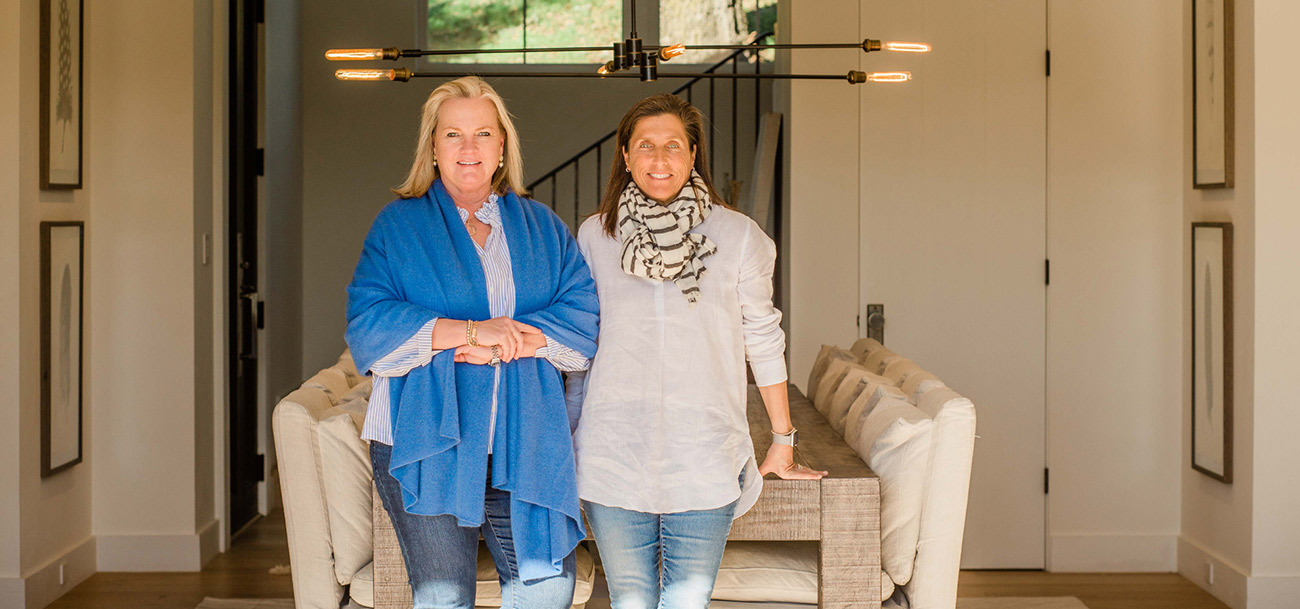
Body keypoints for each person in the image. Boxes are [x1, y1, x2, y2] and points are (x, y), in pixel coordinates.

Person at [345, 76, 599, 609]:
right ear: (432, 148)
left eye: (483, 133)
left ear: (502, 146)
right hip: (422, 440)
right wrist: (469, 332)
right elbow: (370, 325)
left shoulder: (542, 227)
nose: (468, 148)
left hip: (523, 437)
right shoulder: (398, 226)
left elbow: (582, 321)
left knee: (547, 591)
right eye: (452, 134)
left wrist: (512, 343)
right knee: (445, 598)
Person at [571, 93, 827, 609]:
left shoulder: (737, 237)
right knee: (630, 599)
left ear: (693, 155)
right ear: (625, 156)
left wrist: (783, 439)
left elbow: (763, 336)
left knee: (687, 600)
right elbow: (583, 348)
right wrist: (569, 435)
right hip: (613, 450)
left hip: (706, 450)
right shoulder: (596, 237)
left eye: (673, 146)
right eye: (646, 146)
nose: (659, 160)